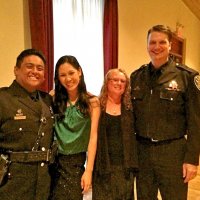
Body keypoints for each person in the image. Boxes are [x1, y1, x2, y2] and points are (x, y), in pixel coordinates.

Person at [130, 24, 200, 200]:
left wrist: (192, 159)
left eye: (162, 42)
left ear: (170, 45)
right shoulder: (137, 77)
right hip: (143, 152)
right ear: (147, 45)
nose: (156, 47)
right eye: (152, 42)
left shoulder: (187, 77)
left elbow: (196, 121)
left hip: (173, 153)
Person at [0, 49, 55, 200]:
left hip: (43, 183)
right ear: (16, 70)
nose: (35, 71)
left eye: (40, 68)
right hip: (11, 184)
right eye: (29, 66)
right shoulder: (3, 99)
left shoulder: (47, 100)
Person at [50, 55, 100, 200]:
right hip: (53, 162)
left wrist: (88, 171)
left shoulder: (92, 102)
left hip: (75, 163)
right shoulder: (52, 99)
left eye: (71, 73)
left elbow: (93, 137)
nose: (68, 79)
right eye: (62, 75)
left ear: (79, 71)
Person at [93, 69, 138, 200]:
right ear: (107, 82)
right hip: (103, 165)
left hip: (125, 167)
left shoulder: (130, 107)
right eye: (115, 80)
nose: (119, 83)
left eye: (123, 81)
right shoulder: (96, 105)